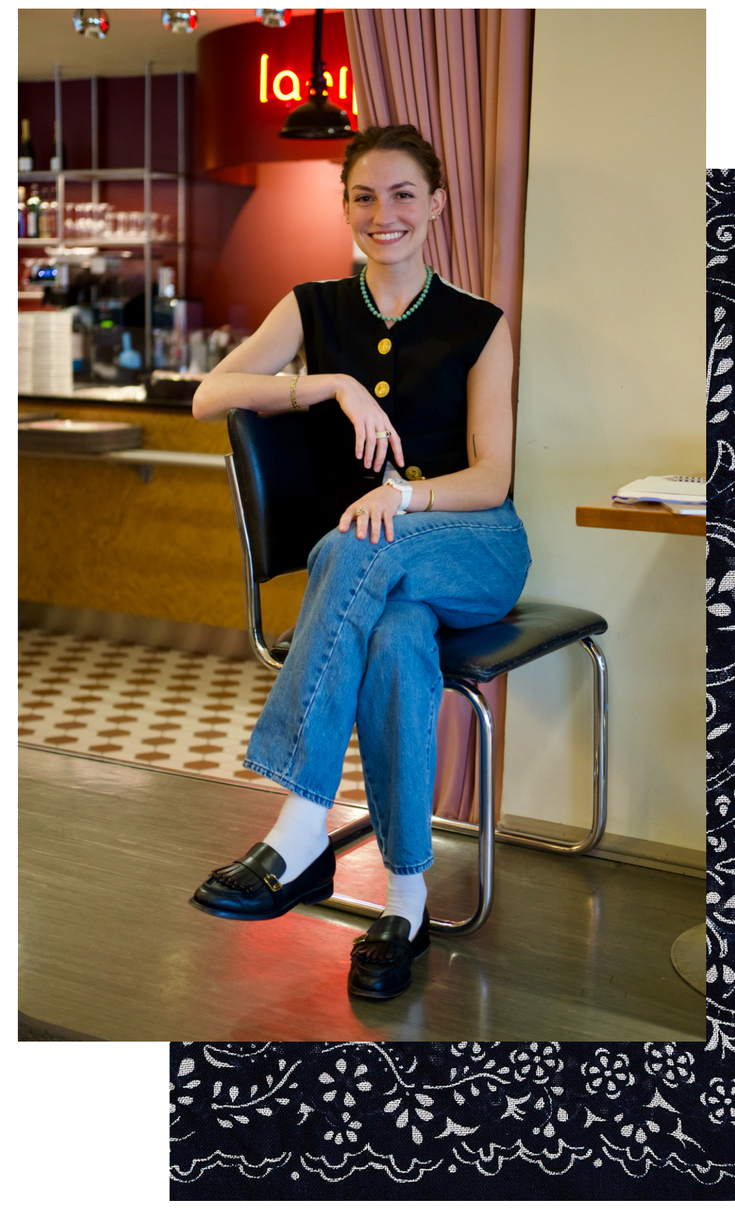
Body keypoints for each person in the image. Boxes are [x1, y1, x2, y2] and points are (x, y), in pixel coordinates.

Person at [189, 124, 531, 1000]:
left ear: (437, 205)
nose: (385, 215)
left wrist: (407, 495)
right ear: (345, 208)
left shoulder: (478, 325)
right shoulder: (313, 308)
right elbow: (209, 395)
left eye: (404, 194)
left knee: (349, 545)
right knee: (393, 641)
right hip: (384, 577)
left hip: (473, 545)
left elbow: (492, 478)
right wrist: (326, 384)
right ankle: (407, 901)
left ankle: (301, 827)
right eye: (365, 196)